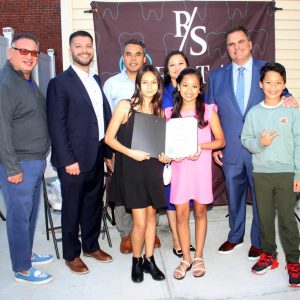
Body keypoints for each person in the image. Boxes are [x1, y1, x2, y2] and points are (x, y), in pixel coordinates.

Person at [207, 25, 298, 260]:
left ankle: (258, 241)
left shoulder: (264, 70)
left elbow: (282, 93)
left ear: (249, 43)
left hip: (262, 150)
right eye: (231, 44)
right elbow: (209, 113)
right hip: (230, 150)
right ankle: (235, 236)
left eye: (240, 42)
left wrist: (290, 99)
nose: (236, 47)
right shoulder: (216, 77)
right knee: (233, 194)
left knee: (261, 198)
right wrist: (214, 145)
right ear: (227, 49)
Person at [46, 30, 113, 275]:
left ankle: (91, 246)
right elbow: (56, 125)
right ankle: (72, 254)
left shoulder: (95, 80)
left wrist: (107, 153)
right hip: (73, 159)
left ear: (93, 49)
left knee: (93, 204)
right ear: (71, 50)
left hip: (95, 155)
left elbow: (102, 119)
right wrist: (67, 160)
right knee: (72, 208)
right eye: (78, 46)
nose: (84, 50)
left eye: (88, 45)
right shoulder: (59, 83)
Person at [105, 64, 168, 283]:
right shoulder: (125, 106)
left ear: (158, 85)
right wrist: (131, 153)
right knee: (139, 221)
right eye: (145, 82)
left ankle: (150, 260)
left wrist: (164, 156)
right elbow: (109, 139)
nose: (149, 86)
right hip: (131, 169)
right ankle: (136, 260)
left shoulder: (159, 111)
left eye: (154, 82)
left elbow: (160, 145)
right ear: (138, 84)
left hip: (153, 170)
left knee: (152, 218)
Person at [0, 32, 53, 284]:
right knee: (20, 215)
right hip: (18, 163)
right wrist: (11, 167)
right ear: (11, 52)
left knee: (30, 213)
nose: (29, 57)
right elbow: (1, 129)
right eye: (23, 51)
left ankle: (26, 254)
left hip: (33, 160)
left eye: (33, 52)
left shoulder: (26, 80)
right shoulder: (6, 84)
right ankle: (22, 268)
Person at [241, 62, 300, 287]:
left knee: (287, 220)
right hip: (262, 174)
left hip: (286, 174)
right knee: (264, 218)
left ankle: (293, 261)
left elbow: (298, 143)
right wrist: (260, 143)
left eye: (278, 83)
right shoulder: (254, 113)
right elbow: (245, 140)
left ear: (284, 85)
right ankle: (269, 255)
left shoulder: (291, 110)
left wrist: (298, 174)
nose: (273, 87)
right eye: (268, 82)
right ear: (260, 84)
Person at [165, 68, 225, 279]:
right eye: (185, 85)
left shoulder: (208, 111)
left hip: (200, 171)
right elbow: (165, 146)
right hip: (180, 171)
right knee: (181, 215)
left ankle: (198, 256)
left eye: (194, 86)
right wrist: (169, 155)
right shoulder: (169, 113)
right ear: (178, 87)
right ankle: (185, 259)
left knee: (200, 212)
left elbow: (221, 141)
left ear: (200, 89)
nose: (189, 90)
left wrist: (200, 146)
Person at [103, 39, 161, 254]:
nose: (133, 58)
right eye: (129, 54)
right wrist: (114, 154)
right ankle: (127, 237)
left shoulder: (157, 106)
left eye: (138, 54)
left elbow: (159, 137)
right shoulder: (115, 90)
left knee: (149, 212)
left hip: (150, 161)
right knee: (126, 199)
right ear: (123, 57)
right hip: (124, 153)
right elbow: (108, 127)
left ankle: (148, 250)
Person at [162, 50, 195, 257]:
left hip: (190, 155)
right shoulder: (161, 92)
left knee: (188, 199)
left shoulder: (194, 90)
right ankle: (176, 238)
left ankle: (185, 236)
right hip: (170, 154)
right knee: (172, 198)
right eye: (172, 64)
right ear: (167, 69)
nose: (177, 68)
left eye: (181, 63)